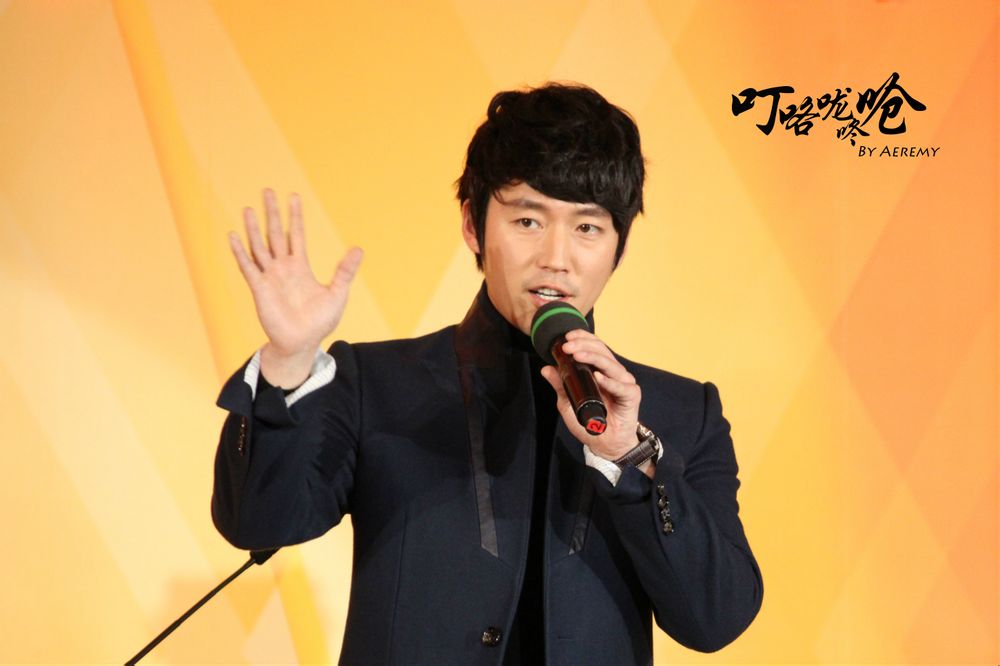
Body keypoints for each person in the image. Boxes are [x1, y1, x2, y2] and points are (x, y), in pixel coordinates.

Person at [212, 82, 762, 665]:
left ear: (619, 249)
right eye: (528, 220)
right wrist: (289, 362)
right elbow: (257, 522)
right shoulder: (375, 384)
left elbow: (717, 618)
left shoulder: (682, 413)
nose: (556, 257)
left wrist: (630, 456)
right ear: (473, 225)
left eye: (587, 228)